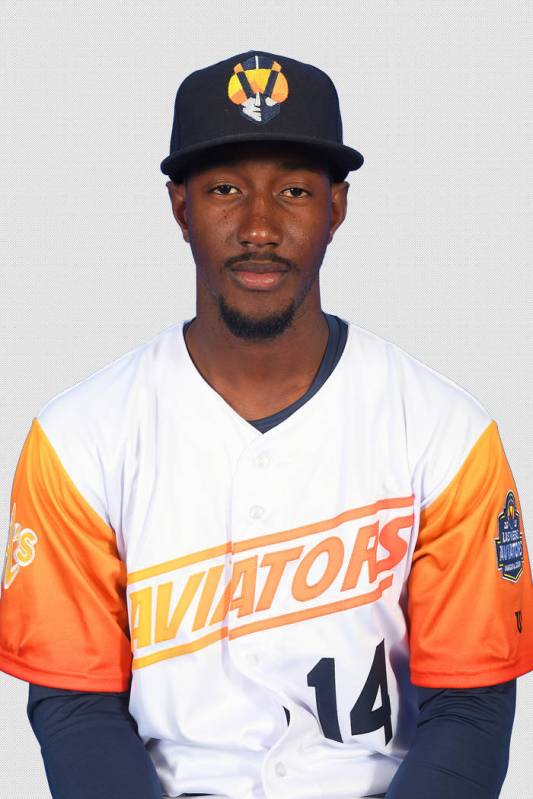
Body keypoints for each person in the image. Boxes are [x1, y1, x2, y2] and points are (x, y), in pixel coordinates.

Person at [0, 49, 531, 799]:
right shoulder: (79, 437)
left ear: (335, 207)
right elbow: (73, 704)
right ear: (180, 207)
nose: (258, 226)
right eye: (224, 189)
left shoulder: (445, 431)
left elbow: (472, 705)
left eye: (291, 190)